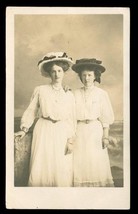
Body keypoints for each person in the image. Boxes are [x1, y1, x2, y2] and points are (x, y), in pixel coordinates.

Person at [14, 52, 76, 187]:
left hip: (62, 131)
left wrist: (71, 139)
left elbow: (71, 117)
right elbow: (32, 110)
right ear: (49, 73)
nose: (57, 74)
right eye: (53, 71)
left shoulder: (69, 94)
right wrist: (24, 130)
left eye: (59, 71)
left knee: (61, 165)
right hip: (44, 129)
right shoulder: (40, 90)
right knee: (42, 163)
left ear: (64, 72)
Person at [72, 58, 114, 187]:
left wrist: (105, 136)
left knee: (95, 160)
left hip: (95, 130)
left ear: (95, 76)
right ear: (80, 77)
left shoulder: (101, 94)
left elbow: (105, 117)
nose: (86, 78)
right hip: (79, 130)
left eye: (89, 75)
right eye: (83, 75)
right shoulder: (74, 93)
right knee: (80, 160)